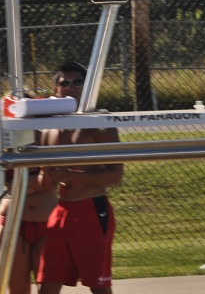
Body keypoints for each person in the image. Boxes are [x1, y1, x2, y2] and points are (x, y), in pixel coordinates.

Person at [36, 62, 123, 294]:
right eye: (65, 83)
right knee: (47, 283)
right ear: (56, 89)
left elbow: (116, 175)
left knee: (98, 286)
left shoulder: (98, 124)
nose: (71, 87)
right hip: (61, 212)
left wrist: (70, 175)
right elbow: (46, 186)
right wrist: (47, 173)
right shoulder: (49, 129)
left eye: (78, 82)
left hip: (91, 211)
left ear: (87, 87)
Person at [1, 149, 57, 294]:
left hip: (47, 222)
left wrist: (15, 184)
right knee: (18, 290)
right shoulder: (5, 139)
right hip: (14, 223)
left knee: (48, 288)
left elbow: (52, 179)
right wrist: (34, 182)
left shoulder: (43, 135)